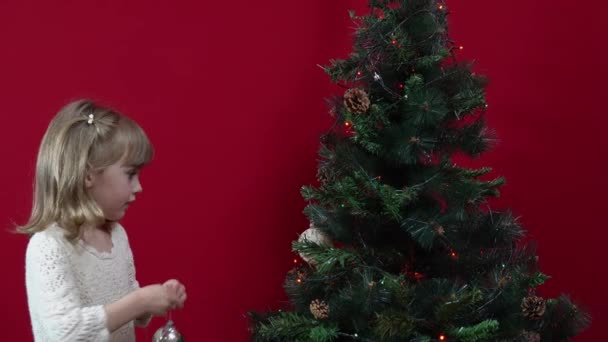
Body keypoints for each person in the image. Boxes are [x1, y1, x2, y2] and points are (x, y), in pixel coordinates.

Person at [17, 99, 187, 341]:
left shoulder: (117, 236)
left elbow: (122, 299)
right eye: (130, 174)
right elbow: (65, 333)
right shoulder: (48, 246)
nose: (139, 187)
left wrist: (155, 298)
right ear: (88, 175)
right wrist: (140, 301)